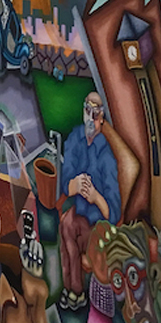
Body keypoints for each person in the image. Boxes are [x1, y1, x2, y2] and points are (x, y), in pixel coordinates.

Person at [58, 92, 120, 308]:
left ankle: (75, 290)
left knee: (70, 231)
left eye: (96, 114)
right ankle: (71, 288)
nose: (91, 118)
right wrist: (73, 185)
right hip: (79, 211)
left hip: (98, 222)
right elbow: (64, 181)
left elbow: (113, 213)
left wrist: (95, 197)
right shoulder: (75, 139)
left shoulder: (106, 156)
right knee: (67, 226)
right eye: (87, 111)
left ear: (102, 119)